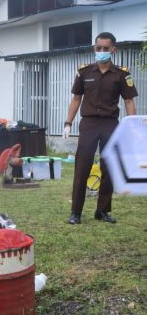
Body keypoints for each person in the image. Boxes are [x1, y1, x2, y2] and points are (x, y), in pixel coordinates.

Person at [62, 32, 138, 225]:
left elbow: (128, 101)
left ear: (113, 49)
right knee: (82, 167)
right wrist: (68, 123)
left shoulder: (122, 73)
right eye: (98, 48)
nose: (102, 51)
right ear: (94, 48)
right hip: (89, 123)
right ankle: (76, 212)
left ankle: (102, 210)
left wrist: (132, 127)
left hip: (110, 124)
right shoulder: (84, 72)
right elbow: (76, 99)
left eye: (106, 48)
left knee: (109, 167)